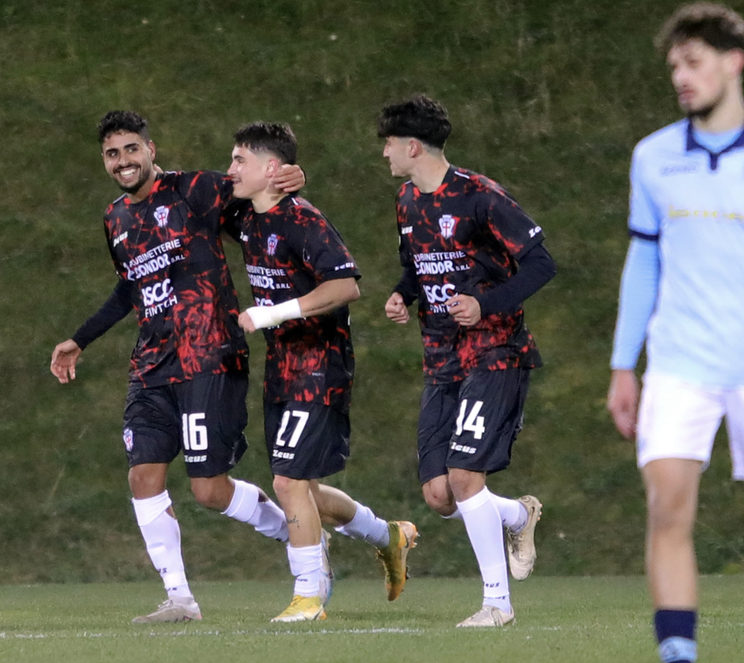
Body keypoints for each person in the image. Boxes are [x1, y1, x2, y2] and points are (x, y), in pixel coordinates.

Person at [49, 110, 307, 624]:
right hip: (152, 365)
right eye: (112, 154)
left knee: (209, 490)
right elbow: (131, 285)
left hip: (209, 356)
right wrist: (80, 339)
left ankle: (297, 534)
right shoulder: (115, 217)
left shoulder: (194, 190)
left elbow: (260, 192)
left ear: (151, 149)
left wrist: (291, 179)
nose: (123, 161)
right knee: (142, 476)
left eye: (131, 149)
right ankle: (180, 600)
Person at [606, 5, 744, 663]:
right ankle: (679, 661)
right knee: (668, 507)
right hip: (679, 365)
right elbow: (644, 261)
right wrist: (624, 365)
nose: (681, 75)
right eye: (674, 64)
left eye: (694, 62)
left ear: (733, 63)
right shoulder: (654, 157)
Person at [225, 122, 419, 622]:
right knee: (304, 490)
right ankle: (388, 536)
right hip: (281, 367)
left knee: (288, 482)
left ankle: (309, 595)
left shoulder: (303, 220)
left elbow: (346, 286)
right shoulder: (243, 216)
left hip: (319, 365)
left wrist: (270, 313)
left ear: (272, 168)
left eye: (240, 160)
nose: (231, 170)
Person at [378, 95, 554, 627]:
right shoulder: (407, 200)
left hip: (495, 353)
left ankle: (497, 605)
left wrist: (485, 305)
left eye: (389, 143)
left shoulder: (480, 198)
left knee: (464, 476)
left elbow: (541, 264)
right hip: (441, 358)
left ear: (413, 146)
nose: (384, 153)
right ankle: (518, 515)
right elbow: (418, 265)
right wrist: (402, 294)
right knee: (440, 495)